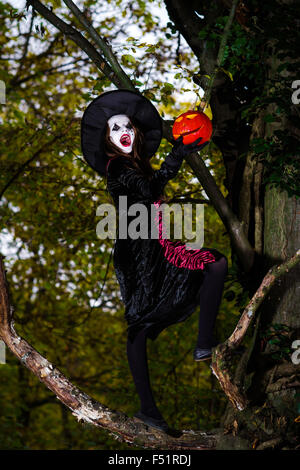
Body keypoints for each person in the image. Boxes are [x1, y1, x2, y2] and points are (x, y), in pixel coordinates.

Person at [81, 89, 228, 432]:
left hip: (157, 244)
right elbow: (147, 191)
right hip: (138, 254)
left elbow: (153, 186)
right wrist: (178, 153)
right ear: (108, 141)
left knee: (214, 264)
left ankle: (204, 345)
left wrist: (180, 150)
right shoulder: (116, 167)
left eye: (127, 125)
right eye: (114, 129)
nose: (123, 132)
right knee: (139, 325)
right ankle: (149, 410)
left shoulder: (137, 164)